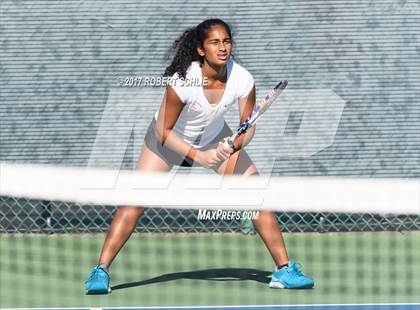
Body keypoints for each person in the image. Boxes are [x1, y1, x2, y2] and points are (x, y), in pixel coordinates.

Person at [85, 18, 314, 294]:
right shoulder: (183, 80)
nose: (223, 47)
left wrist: (234, 145)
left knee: (256, 192)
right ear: (201, 49)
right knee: (135, 200)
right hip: (167, 141)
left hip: (214, 136)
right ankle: (100, 270)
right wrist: (200, 156)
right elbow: (163, 131)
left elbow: (247, 127)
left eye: (227, 41)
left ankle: (284, 270)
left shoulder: (242, 79)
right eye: (215, 42)